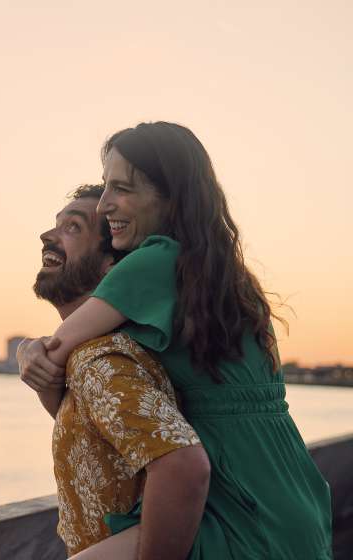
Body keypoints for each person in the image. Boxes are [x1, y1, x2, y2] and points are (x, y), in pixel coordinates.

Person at [20, 122, 333, 559]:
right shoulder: (221, 277)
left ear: (170, 196)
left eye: (121, 188)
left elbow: (57, 352)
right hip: (287, 493)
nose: (106, 204)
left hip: (234, 505)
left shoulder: (152, 261)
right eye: (106, 186)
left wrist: (28, 351)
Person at [22, 184, 209, 556]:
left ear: (111, 265)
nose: (47, 235)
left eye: (73, 227)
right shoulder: (89, 356)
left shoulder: (101, 361)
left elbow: (184, 467)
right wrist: (32, 352)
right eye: (56, 224)